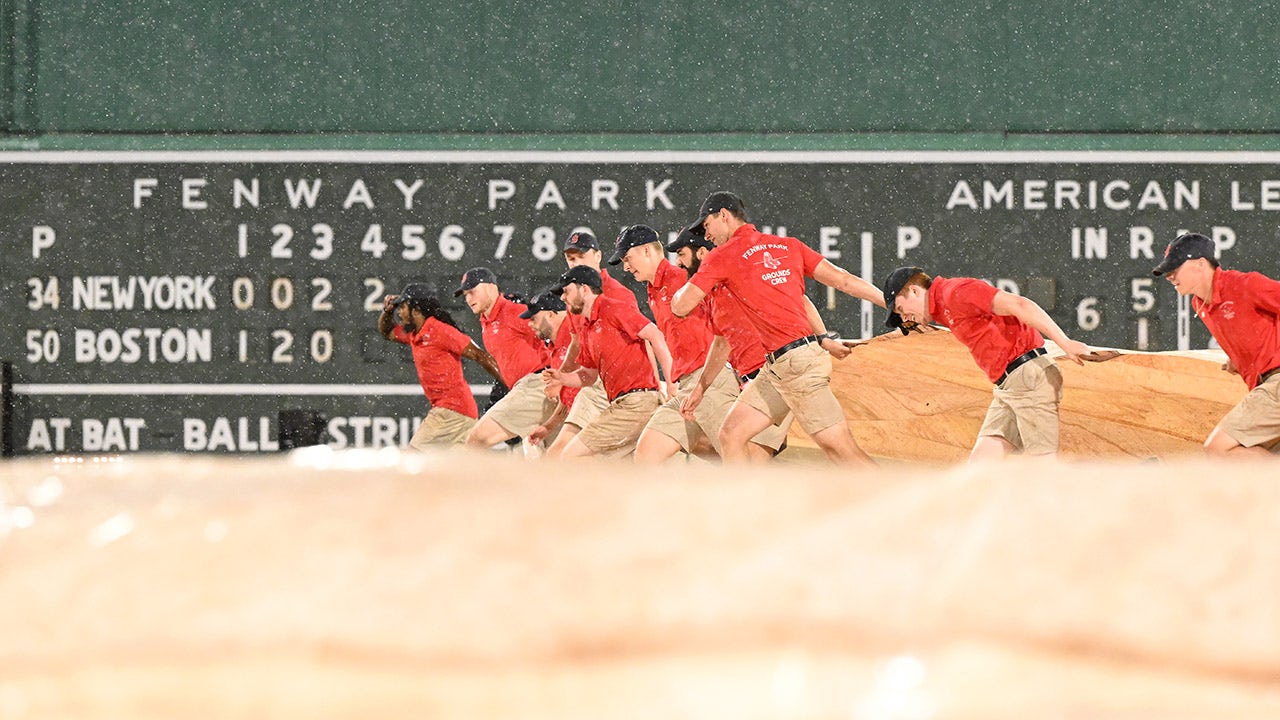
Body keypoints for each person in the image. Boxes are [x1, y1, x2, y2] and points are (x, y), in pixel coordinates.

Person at [671, 191, 882, 464]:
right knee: (731, 433)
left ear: (723, 215)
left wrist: (694, 276)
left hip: (796, 365)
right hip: (780, 366)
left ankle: (907, 506)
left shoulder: (722, 257)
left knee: (840, 449)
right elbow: (842, 281)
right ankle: (744, 505)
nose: (706, 234)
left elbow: (680, 307)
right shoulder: (788, 246)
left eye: (707, 225)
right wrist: (888, 301)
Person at [883, 265, 1089, 461]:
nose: (904, 317)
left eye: (901, 309)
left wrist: (1065, 343)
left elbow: (1021, 304)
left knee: (1041, 465)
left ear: (915, 291)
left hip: (1028, 377)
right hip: (1009, 386)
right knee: (981, 466)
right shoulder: (942, 306)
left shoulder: (955, 292)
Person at [609, 224, 739, 462]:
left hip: (711, 381)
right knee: (647, 454)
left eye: (628, 258)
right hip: (687, 386)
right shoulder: (653, 290)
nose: (626, 267)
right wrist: (673, 381)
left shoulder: (682, 278)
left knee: (743, 459)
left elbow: (730, 318)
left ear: (647, 250)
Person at [667, 229, 793, 460]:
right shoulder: (717, 291)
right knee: (735, 451)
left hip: (772, 375)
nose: (678, 263)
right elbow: (722, 342)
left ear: (703, 253)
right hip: (752, 382)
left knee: (745, 454)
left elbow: (800, 300)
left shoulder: (740, 276)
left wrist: (822, 337)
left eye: (682, 254)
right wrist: (701, 389)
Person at [1152, 231, 1280, 456]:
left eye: (1175, 267)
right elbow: (1253, 328)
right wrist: (1240, 358)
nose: (1169, 275)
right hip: (1264, 385)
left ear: (1200, 264)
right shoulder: (1199, 303)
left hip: (1275, 385)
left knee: (1217, 450)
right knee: (1235, 456)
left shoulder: (1244, 284)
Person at [543, 265, 675, 459]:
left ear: (584, 289)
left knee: (570, 457)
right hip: (626, 405)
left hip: (636, 404)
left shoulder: (613, 307)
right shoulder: (587, 328)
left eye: (566, 291)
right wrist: (562, 377)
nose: (562, 298)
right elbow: (588, 377)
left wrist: (671, 385)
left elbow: (655, 335)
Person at [541, 231, 640, 458]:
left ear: (598, 256)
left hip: (620, 386)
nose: (574, 263)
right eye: (570, 259)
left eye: (580, 256)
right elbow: (576, 343)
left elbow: (643, 340)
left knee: (569, 455)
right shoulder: (571, 295)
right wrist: (561, 378)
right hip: (594, 384)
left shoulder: (619, 294)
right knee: (564, 454)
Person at [377, 283, 506, 449]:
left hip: (450, 411)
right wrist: (387, 311)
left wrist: (510, 382)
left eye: (402, 307)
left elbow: (480, 356)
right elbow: (386, 332)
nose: (399, 312)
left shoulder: (440, 331)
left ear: (416, 311)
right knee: (458, 471)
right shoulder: (414, 333)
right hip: (460, 412)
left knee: (413, 458)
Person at [456, 267, 556, 451]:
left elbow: (555, 329)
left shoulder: (513, 311)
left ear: (491, 288)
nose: (468, 299)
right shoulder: (486, 321)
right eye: (465, 294)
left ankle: (476, 480)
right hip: (528, 389)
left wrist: (562, 375)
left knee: (476, 440)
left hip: (537, 385)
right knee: (553, 460)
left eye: (472, 291)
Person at [520, 288, 578, 449]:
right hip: (579, 416)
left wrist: (561, 382)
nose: (530, 324)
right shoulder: (553, 346)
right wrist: (549, 426)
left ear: (551, 314)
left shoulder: (576, 334)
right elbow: (571, 398)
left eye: (533, 318)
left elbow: (587, 382)